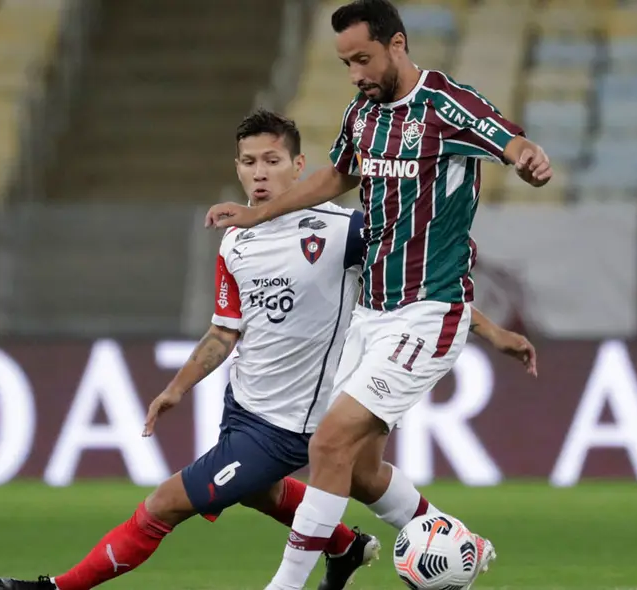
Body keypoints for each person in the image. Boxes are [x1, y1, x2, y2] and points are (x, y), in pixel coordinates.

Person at [0, 106, 536, 590]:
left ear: (299, 168)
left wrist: (491, 333)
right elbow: (225, 331)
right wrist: (175, 390)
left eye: (272, 160)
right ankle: (354, 546)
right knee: (330, 483)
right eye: (248, 161)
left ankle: (57, 589)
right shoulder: (237, 240)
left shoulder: (345, 230)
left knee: (164, 505)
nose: (259, 172)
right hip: (245, 406)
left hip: (292, 425)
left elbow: (414, 284)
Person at [203, 2, 552, 590]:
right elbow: (335, 175)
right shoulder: (363, 113)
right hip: (372, 314)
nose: (356, 74)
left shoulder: (444, 104)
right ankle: (456, 542)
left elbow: (507, 139)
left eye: (363, 59)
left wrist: (526, 158)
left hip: (428, 312)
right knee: (361, 471)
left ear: (397, 44)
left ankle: (285, 586)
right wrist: (259, 215)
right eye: (345, 63)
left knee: (330, 439)